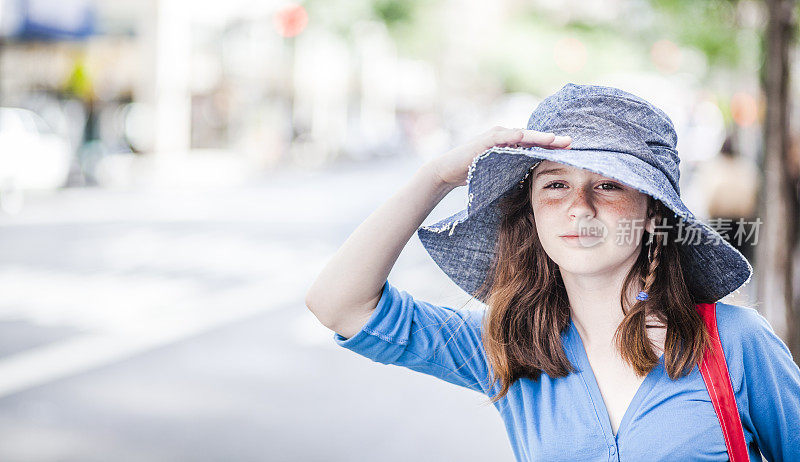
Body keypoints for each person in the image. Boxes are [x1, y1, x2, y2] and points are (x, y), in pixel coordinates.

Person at [305, 84, 800, 461]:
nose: (579, 208)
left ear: (653, 212)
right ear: (534, 212)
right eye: (556, 185)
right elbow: (340, 304)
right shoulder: (509, 346)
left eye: (608, 186)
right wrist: (437, 177)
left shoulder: (734, 344)